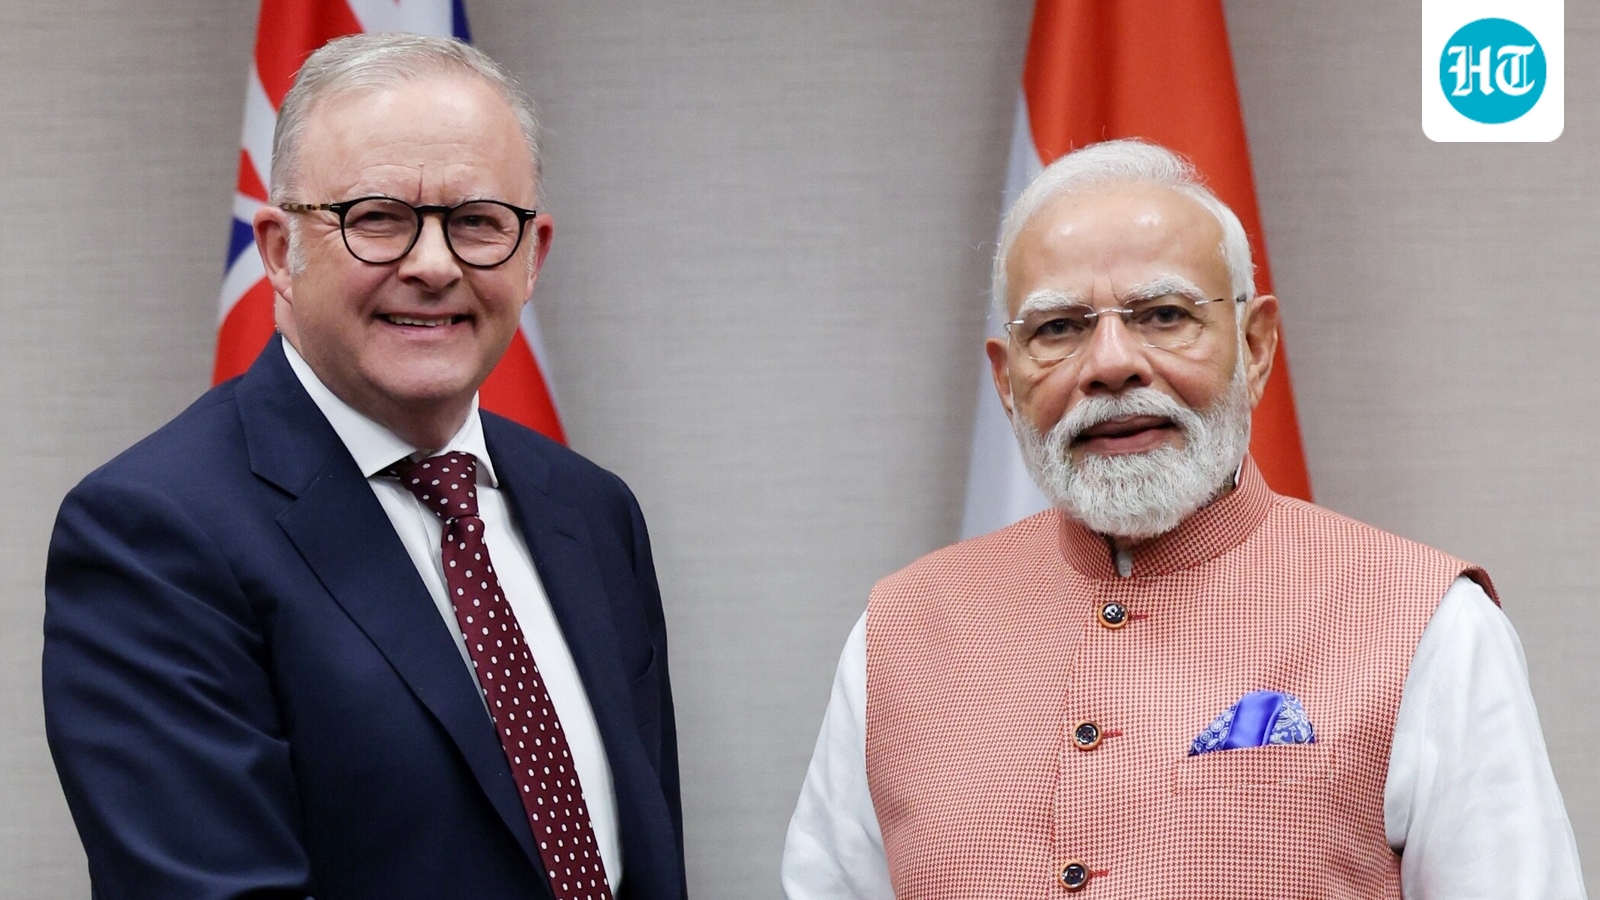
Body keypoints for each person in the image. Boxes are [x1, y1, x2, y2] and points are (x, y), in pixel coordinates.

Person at [781, 139, 1586, 899]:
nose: (1110, 365)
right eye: (1059, 329)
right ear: (1006, 379)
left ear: (1256, 345)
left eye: (1164, 315)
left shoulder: (1431, 625)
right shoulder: (898, 634)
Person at [43, 34, 685, 900]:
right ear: (278, 251)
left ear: (533, 256)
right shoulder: (153, 533)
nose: (432, 265)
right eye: (376, 218)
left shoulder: (595, 512)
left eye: (477, 222)